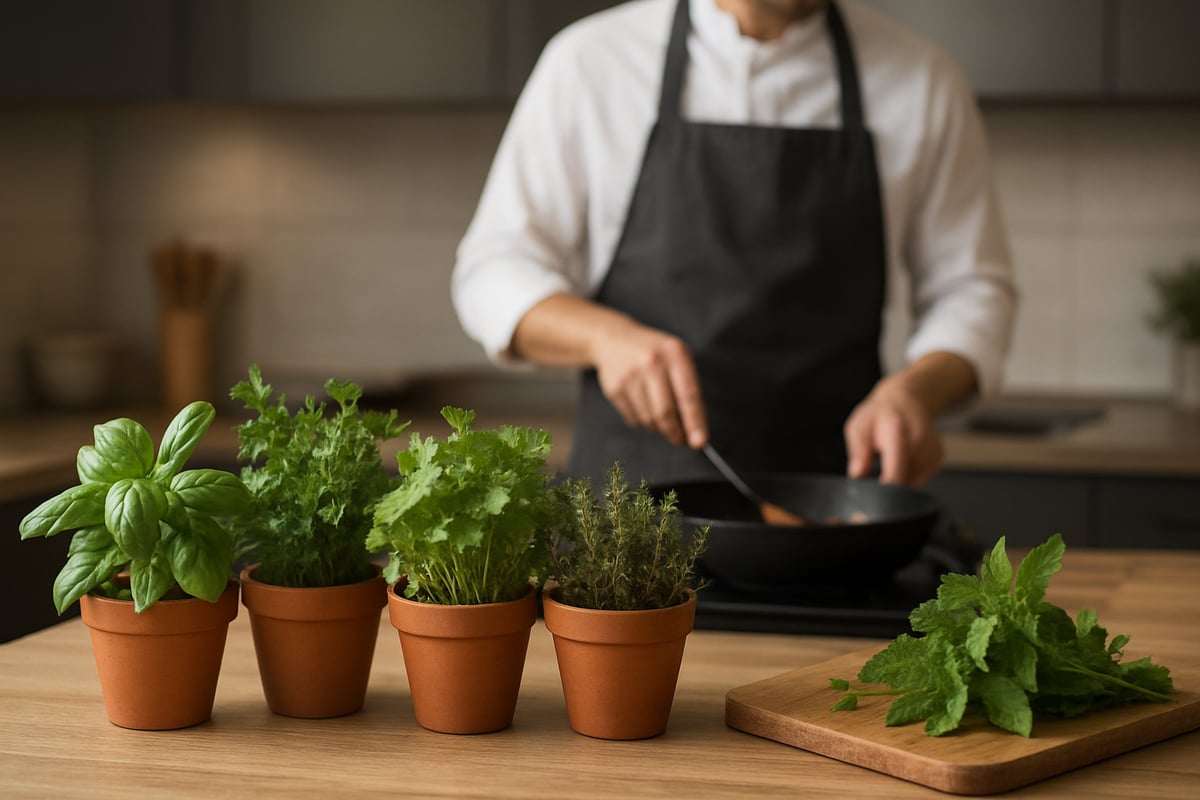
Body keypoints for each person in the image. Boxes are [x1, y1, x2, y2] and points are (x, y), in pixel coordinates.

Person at [452, 0, 1016, 489]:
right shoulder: (590, 64)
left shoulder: (921, 80)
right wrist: (605, 338)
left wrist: (915, 393)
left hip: (833, 518)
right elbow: (494, 269)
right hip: (621, 542)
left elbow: (973, 291)